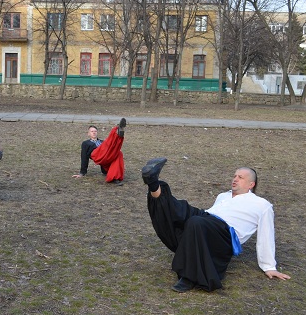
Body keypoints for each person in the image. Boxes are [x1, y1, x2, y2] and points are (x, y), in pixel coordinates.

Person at [141, 157, 291, 293]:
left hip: (225, 234)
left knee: (195, 221)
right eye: (234, 176)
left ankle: (188, 278)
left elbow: (267, 234)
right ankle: (153, 183)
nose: (235, 179)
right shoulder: (223, 196)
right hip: (206, 221)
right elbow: (207, 215)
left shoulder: (262, 205)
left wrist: (269, 266)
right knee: (177, 213)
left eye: (240, 177)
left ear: (251, 184)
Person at [72, 118, 127, 185]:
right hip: (96, 154)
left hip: (106, 155)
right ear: (88, 134)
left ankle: (115, 178)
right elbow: (84, 157)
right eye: (92, 131)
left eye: (95, 131)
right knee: (108, 144)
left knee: (118, 153)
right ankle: (116, 132)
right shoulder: (86, 143)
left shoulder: (102, 141)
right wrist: (82, 173)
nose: (94, 132)